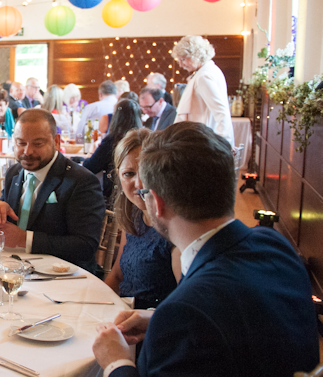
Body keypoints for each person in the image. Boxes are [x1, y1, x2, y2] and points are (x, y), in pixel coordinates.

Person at [92, 122, 318, 377]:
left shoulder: (184, 313)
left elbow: (201, 311)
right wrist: (156, 319)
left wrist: (116, 363)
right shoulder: (274, 244)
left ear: (156, 202)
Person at [0, 109, 105, 271]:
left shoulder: (81, 181)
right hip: (13, 267)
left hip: (63, 276)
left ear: (56, 141)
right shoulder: (15, 173)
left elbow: (85, 246)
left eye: (38, 143)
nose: (27, 152)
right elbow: (4, 225)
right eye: (21, 143)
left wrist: (25, 239)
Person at [104, 129, 179, 309]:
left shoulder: (175, 226)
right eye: (129, 174)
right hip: (122, 314)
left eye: (146, 172)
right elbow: (117, 275)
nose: (139, 184)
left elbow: (184, 301)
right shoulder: (133, 214)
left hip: (153, 326)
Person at [172, 35, 234, 144]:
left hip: (204, 138)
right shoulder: (209, 70)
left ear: (195, 55)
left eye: (183, 59)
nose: (181, 65)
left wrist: (224, 142)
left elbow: (221, 111)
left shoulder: (203, 76)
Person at [84, 99, 143, 204]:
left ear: (116, 118)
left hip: (114, 197)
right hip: (141, 194)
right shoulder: (145, 139)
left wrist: (87, 158)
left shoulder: (113, 140)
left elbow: (90, 167)